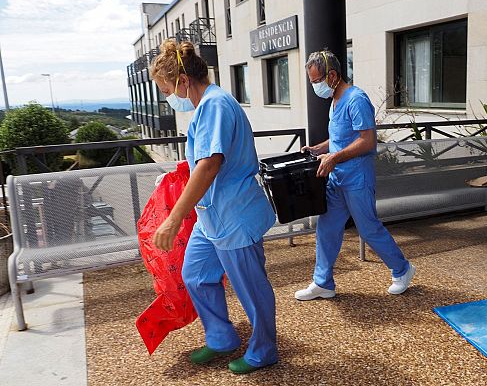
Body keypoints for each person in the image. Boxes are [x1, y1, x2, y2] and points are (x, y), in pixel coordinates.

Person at [150, 39, 277, 374]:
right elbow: (202, 161)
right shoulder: (208, 105)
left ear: (182, 81)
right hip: (213, 218)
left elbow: (210, 163)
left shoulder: (215, 105)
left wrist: (174, 218)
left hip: (234, 216)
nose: (168, 98)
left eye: (166, 89)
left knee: (252, 289)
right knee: (195, 275)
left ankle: (264, 350)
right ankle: (222, 337)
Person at [294, 50, 416, 301]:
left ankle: (403, 270)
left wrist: (334, 157)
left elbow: (367, 141)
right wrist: (319, 149)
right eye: (312, 82)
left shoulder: (356, 99)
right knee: (326, 229)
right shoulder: (335, 101)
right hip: (337, 177)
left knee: (369, 229)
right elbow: (340, 138)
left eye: (317, 81)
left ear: (333, 75)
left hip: (357, 178)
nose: (315, 86)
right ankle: (323, 283)